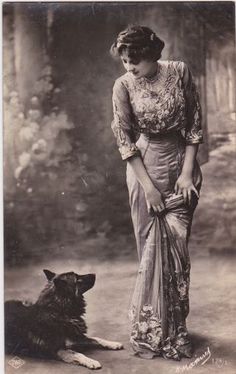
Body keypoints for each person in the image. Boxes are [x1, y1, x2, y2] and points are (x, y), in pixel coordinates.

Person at [110, 25, 203, 361]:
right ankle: (155, 330)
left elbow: (193, 123)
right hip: (143, 168)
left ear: (153, 53)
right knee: (150, 253)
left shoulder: (179, 72)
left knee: (177, 254)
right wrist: (148, 188)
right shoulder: (122, 86)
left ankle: (177, 329)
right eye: (124, 61)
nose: (130, 66)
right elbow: (124, 140)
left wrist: (188, 171)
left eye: (135, 59)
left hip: (182, 165)